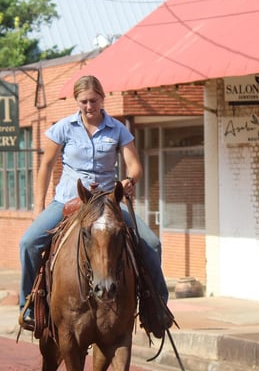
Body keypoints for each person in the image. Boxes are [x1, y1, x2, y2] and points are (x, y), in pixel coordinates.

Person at [19, 75, 168, 329]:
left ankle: (157, 307)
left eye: (94, 101)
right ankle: (30, 305)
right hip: (68, 201)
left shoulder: (117, 129)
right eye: (84, 101)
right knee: (29, 242)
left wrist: (129, 180)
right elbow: (45, 166)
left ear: (102, 98)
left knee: (151, 244)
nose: (89, 106)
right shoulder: (63, 128)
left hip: (108, 203)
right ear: (77, 101)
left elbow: (135, 166)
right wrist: (38, 205)